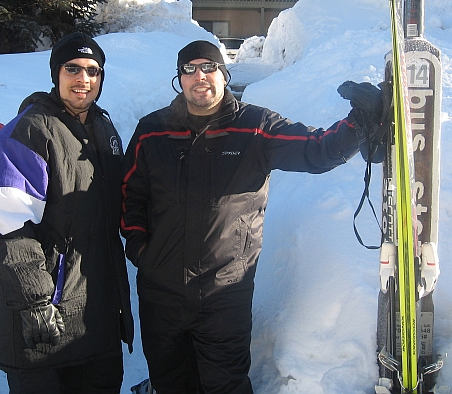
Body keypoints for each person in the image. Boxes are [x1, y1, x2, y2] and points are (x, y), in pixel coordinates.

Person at [122, 40, 385, 394]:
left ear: (224, 74)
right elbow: (129, 194)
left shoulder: (256, 127)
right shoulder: (152, 131)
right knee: (170, 380)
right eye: (190, 69)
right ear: (179, 79)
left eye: (209, 67)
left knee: (226, 384)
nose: (200, 76)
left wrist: (357, 125)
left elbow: (317, 150)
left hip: (225, 290)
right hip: (161, 292)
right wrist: (141, 251)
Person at [0, 32, 133, 394]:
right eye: (72, 68)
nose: (84, 79)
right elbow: (4, 227)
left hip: (97, 319)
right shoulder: (28, 132)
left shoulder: (103, 129)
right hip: (44, 318)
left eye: (93, 70)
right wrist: (35, 301)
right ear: (55, 74)